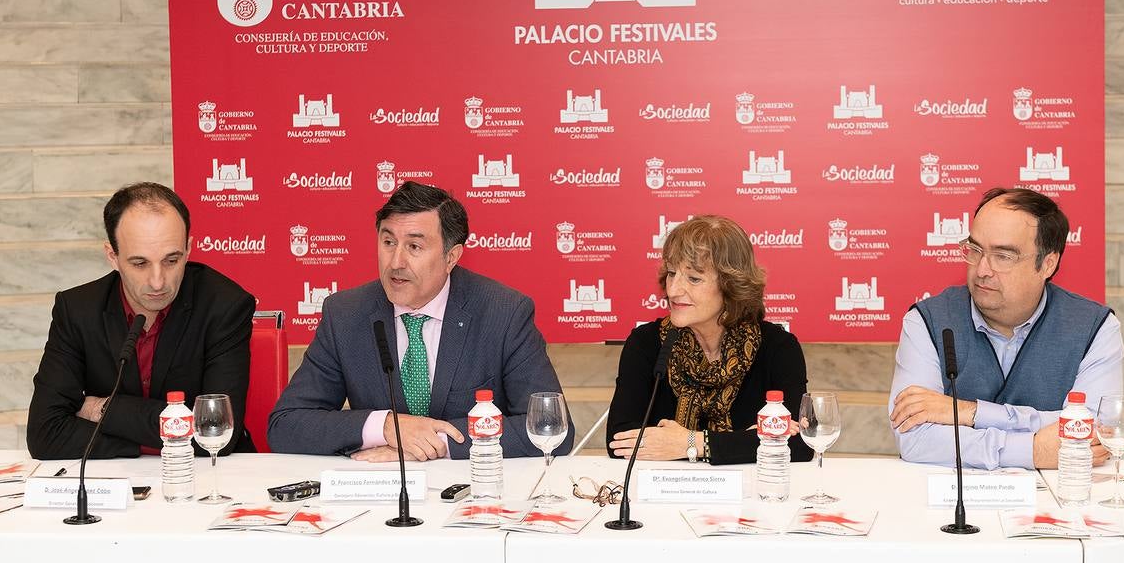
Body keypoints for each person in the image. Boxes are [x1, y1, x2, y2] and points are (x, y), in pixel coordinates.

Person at [267, 181, 572, 460]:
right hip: (377, 497)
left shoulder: (504, 313)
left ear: (451, 257)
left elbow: (552, 428)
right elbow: (286, 425)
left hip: (473, 493)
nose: (396, 262)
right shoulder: (346, 314)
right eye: (388, 243)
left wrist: (433, 443)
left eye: (414, 247)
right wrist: (386, 427)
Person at [889, 187, 1123, 470]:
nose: (982, 269)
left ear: (1048, 263)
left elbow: (1095, 432)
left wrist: (970, 413)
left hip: (1055, 503)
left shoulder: (1095, 327)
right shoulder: (927, 320)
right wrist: (1033, 450)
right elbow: (915, 438)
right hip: (950, 504)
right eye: (975, 250)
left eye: (1003, 256)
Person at [27, 183, 256, 460]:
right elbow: (45, 434)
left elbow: (214, 431)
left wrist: (103, 409)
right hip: (115, 479)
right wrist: (140, 448)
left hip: (209, 476)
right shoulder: (77, 310)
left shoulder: (225, 306)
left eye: (172, 260)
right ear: (113, 256)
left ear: (189, 248)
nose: (158, 282)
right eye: (139, 263)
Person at [606, 215, 812, 465]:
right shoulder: (647, 343)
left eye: (693, 278)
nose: (673, 290)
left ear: (731, 286)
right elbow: (619, 441)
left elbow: (799, 443)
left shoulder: (777, 347)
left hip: (750, 494)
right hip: (665, 495)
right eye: (672, 274)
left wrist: (691, 443)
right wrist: (744, 441)